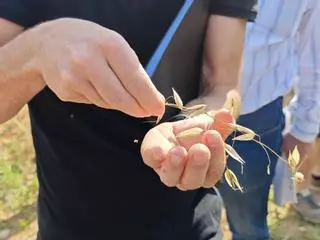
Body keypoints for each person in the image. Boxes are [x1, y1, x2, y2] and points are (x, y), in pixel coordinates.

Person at [0, 1, 257, 239]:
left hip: (187, 222)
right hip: (69, 222)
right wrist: (37, 50)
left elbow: (223, 85)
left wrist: (202, 124)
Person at [217, 0, 320, 239]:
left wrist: (305, 129)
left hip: (254, 120)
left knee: (248, 222)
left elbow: (315, 54)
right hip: (171, 114)